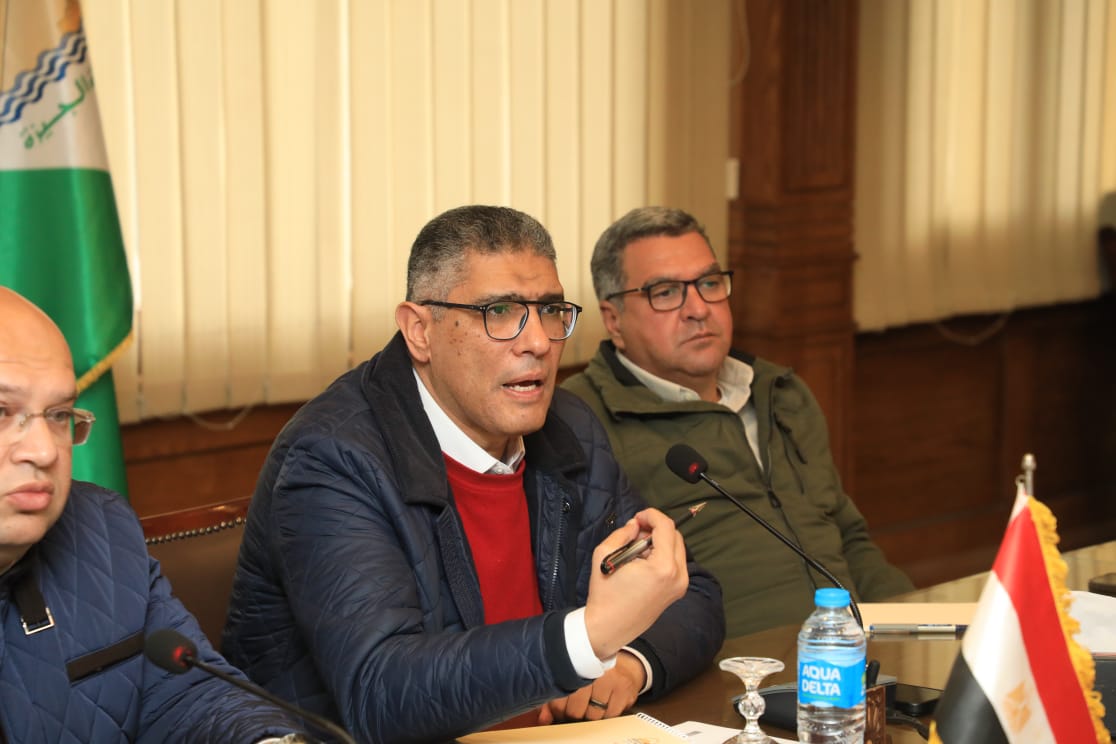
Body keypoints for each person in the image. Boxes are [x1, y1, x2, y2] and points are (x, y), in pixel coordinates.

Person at [222, 205, 725, 744]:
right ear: (420, 330)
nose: (538, 342)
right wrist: (587, 638)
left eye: (550, 310)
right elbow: (381, 693)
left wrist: (627, 661)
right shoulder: (332, 456)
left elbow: (690, 591)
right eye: (500, 311)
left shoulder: (569, 427)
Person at [562, 206, 913, 638]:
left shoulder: (781, 392)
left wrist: (917, 623)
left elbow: (848, 537)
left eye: (710, 284)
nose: (698, 309)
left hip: (850, 650)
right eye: (666, 293)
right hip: (732, 666)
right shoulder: (581, 422)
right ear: (613, 320)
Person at [0, 287, 304, 743]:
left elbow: (187, 697)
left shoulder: (101, 529)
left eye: (59, 415)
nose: (45, 451)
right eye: (1, 411)